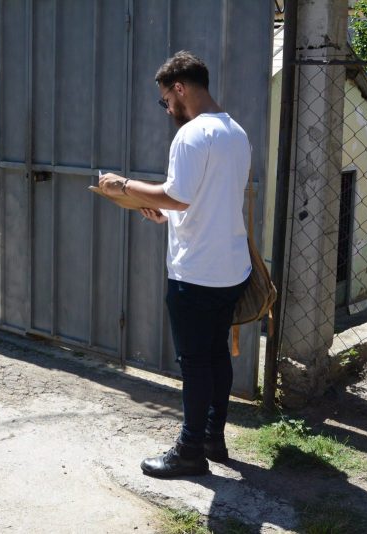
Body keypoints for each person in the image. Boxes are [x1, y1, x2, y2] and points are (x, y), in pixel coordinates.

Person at [99, 51, 251, 477]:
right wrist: (165, 214)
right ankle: (212, 438)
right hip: (231, 269)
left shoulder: (190, 135)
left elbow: (179, 194)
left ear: (180, 88)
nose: (167, 108)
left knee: (195, 362)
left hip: (196, 272)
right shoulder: (235, 132)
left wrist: (122, 185)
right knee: (217, 354)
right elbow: (204, 200)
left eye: (166, 99)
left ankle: (188, 452)